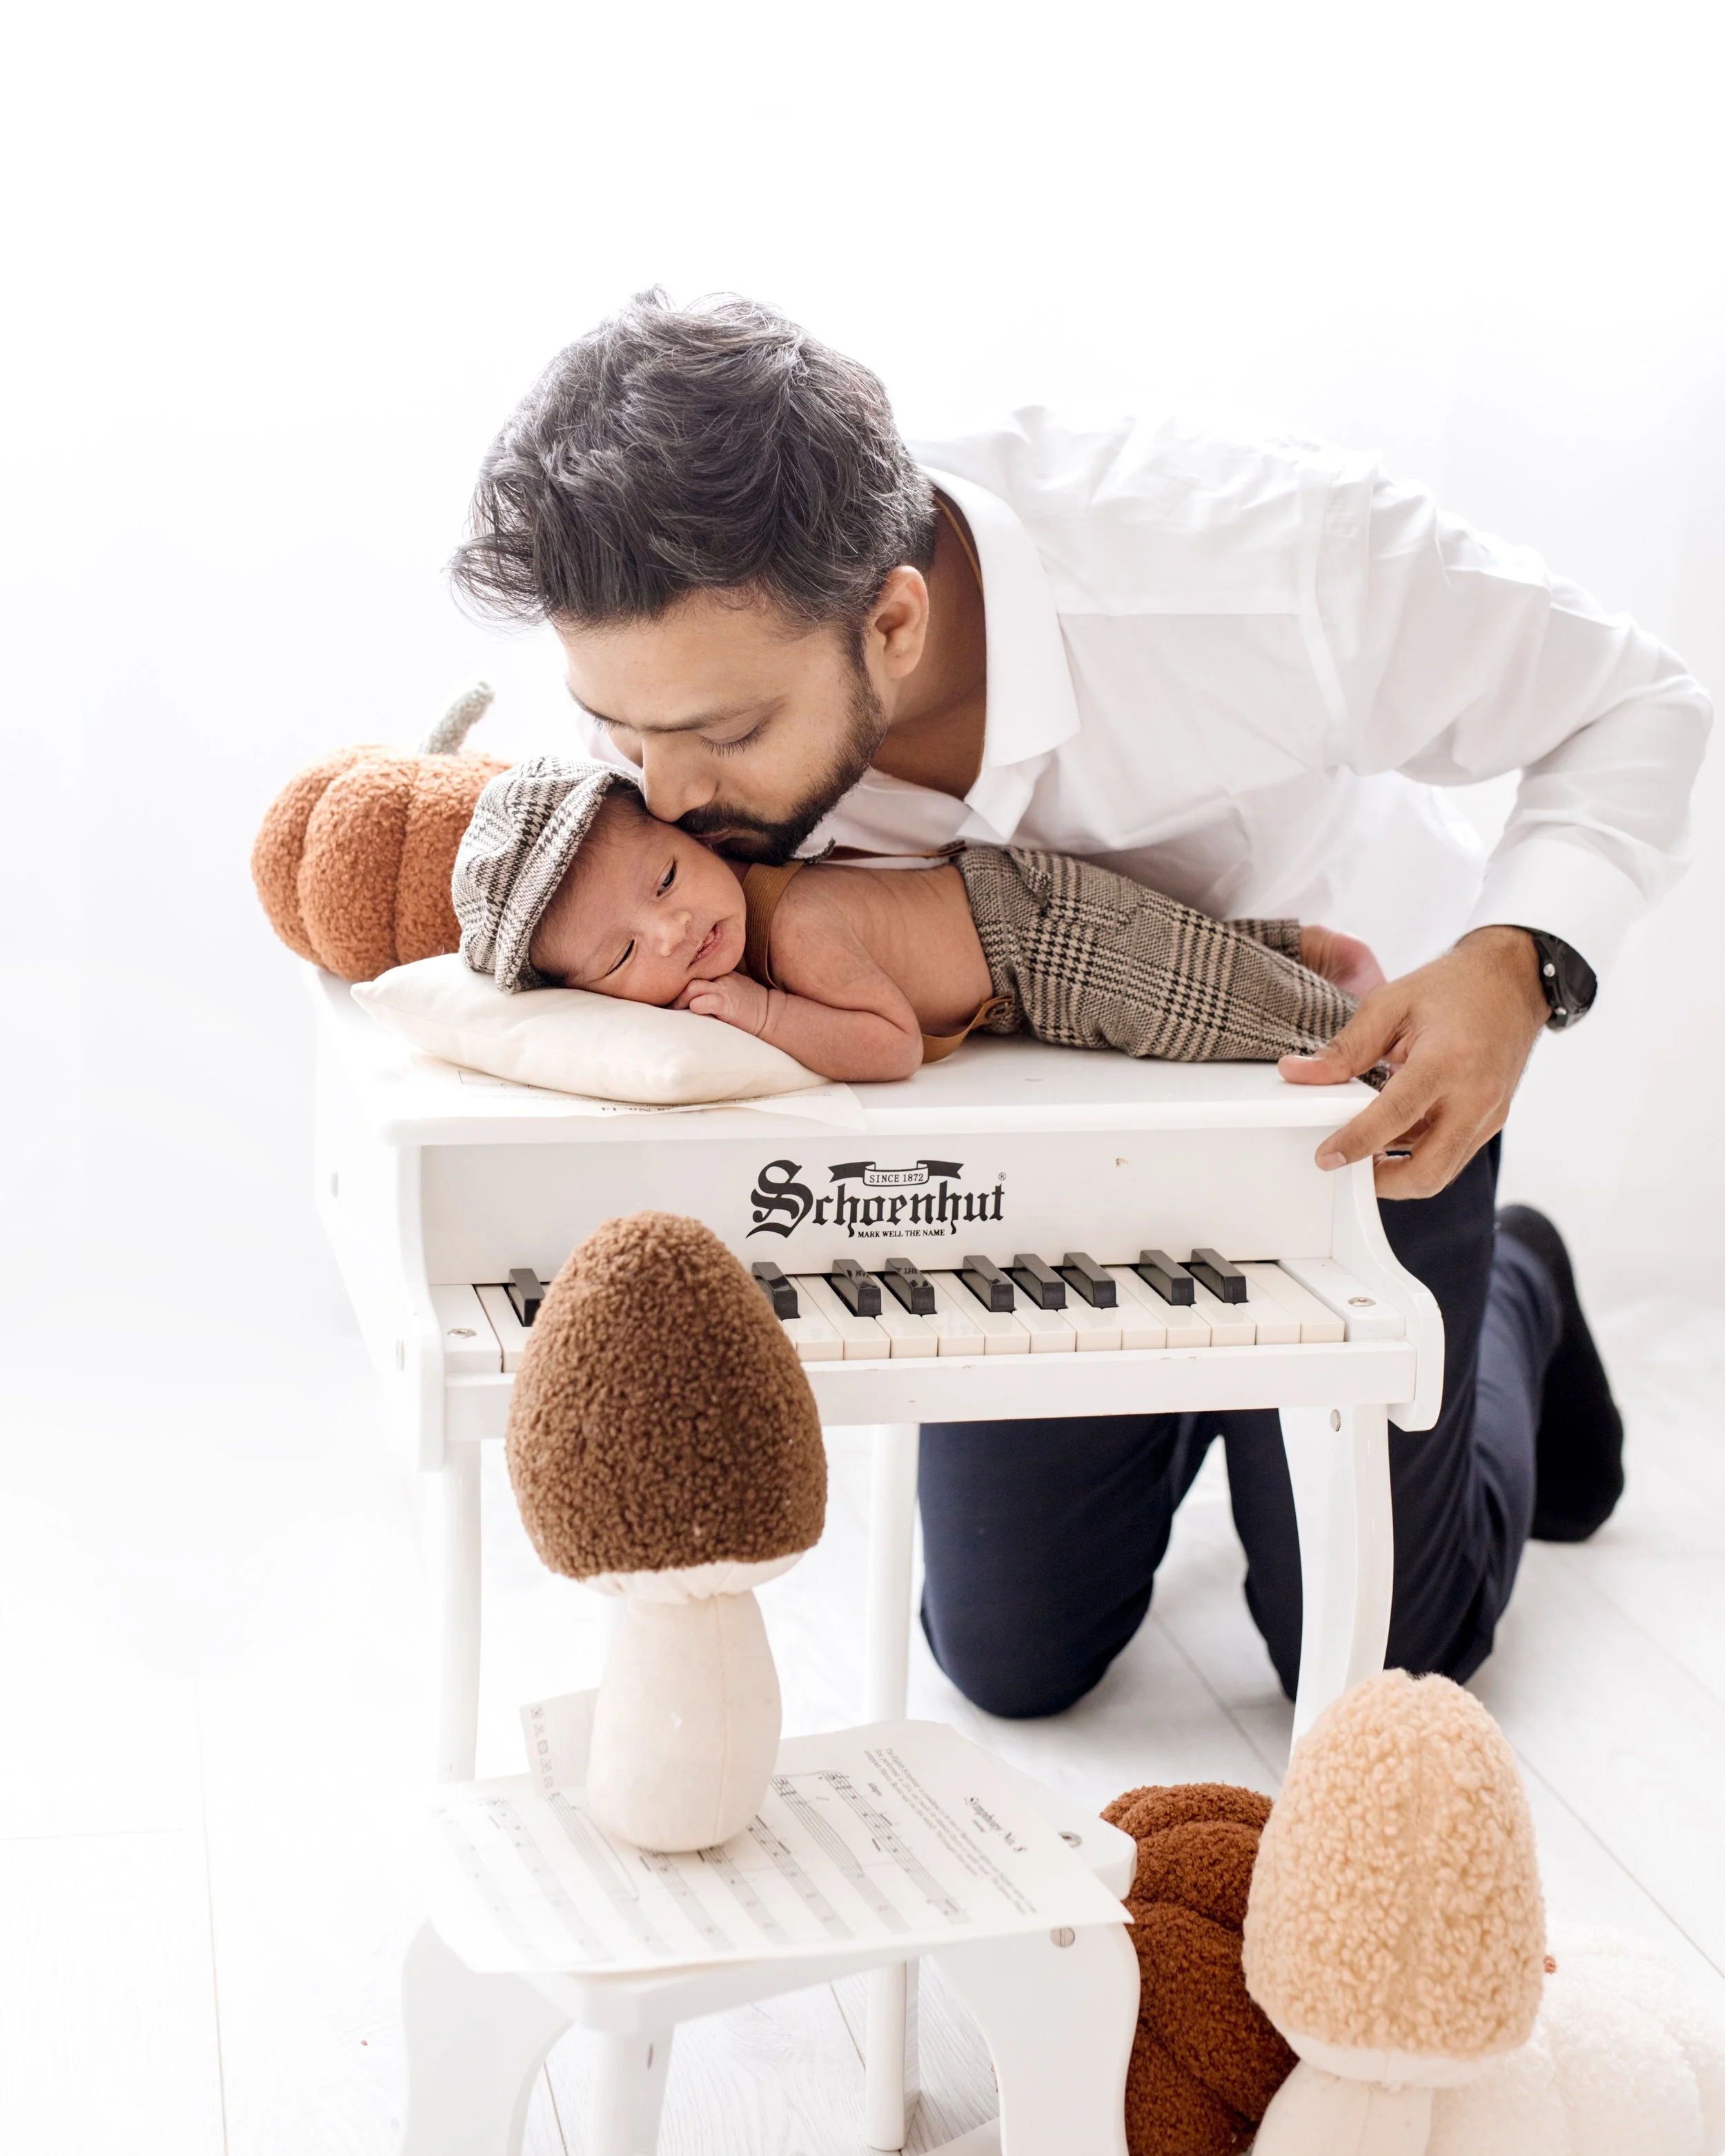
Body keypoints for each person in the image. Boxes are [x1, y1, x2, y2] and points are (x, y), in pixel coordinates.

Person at [447, 289, 1710, 1709]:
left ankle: (1513, 1286)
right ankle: (1208, 1392)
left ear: (893, 623)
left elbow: (1632, 701)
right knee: (1009, 1657)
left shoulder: (1264, 562)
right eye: (617, 731)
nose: (667, 794)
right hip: (1042, 1149)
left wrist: (1517, 964)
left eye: (725, 735)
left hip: (1349, 1082)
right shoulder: (681, 681)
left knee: (1377, 1654)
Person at [451, 751, 1385, 1080]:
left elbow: (891, 1044)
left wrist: (766, 1015)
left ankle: (1365, 1036)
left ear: (696, 837)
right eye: (621, 958)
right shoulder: (739, 921)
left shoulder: (795, 930)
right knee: (1193, 958)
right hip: (1014, 944)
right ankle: (1307, 953)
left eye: (665, 880)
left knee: (1205, 1008)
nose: (672, 934)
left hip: (1041, 940)